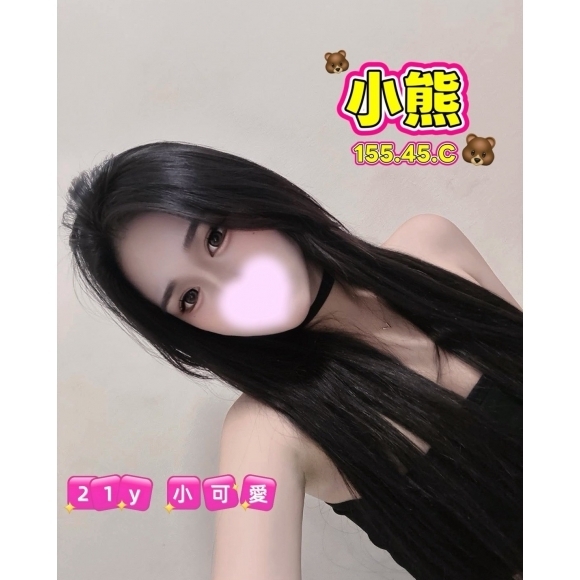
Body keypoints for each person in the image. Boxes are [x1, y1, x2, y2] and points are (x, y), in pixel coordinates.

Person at [61, 141, 523, 580]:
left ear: (248, 194)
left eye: (215, 238)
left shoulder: (434, 245)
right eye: (190, 297)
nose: (232, 286)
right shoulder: (269, 429)